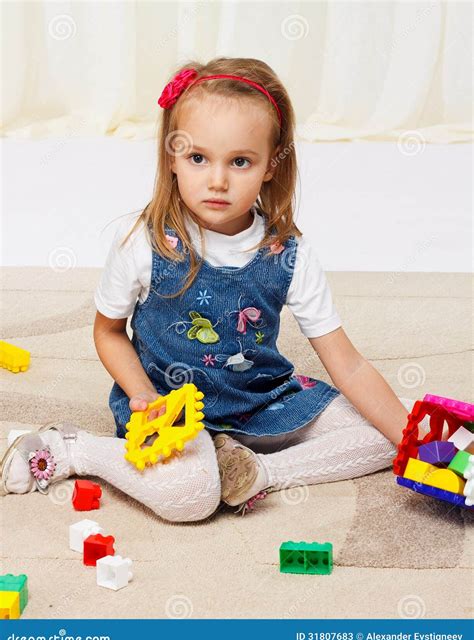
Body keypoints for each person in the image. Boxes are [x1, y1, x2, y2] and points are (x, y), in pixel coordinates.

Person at [1, 57, 432, 521]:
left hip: (263, 400)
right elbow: (108, 332)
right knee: (190, 499)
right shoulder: (141, 242)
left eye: (241, 161)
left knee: (391, 429)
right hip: (169, 409)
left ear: (271, 165)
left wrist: (420, 448)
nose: (218, 180)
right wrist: (143, 395)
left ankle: (253, 471)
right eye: (198, 158)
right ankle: (76, 450)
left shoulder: (289, 253)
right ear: (172, 157)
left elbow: (347, 363)